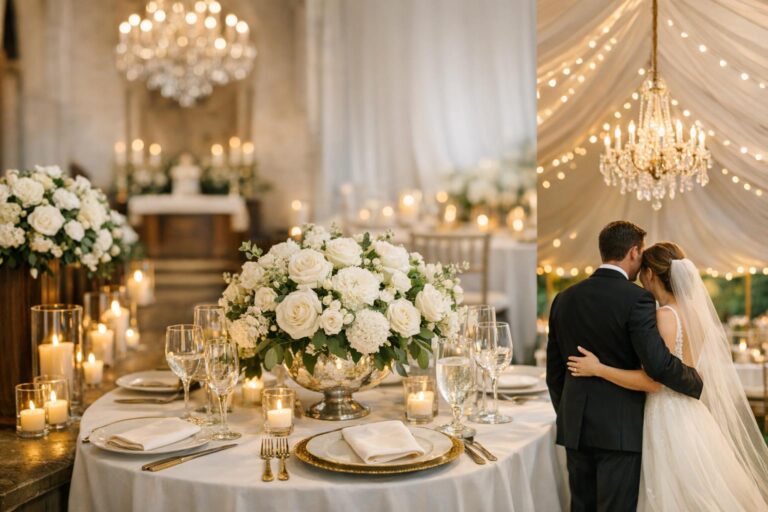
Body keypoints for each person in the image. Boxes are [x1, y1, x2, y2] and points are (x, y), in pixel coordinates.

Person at [568, 241, 768, 511]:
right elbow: (692, 371)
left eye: (642, 275)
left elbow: (653, 381)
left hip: (665, 415)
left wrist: (598, 368)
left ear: (650, 274)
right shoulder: (697, 316)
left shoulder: (664, 316)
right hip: (694, 415)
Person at [546, 221, 703, 511]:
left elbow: (554, 374)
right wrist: (695, 382)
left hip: (576, 429)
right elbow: (658, 366)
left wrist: (569, 413)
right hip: (621, 432)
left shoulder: (563, 299)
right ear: (633, 252)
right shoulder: (638, 299)